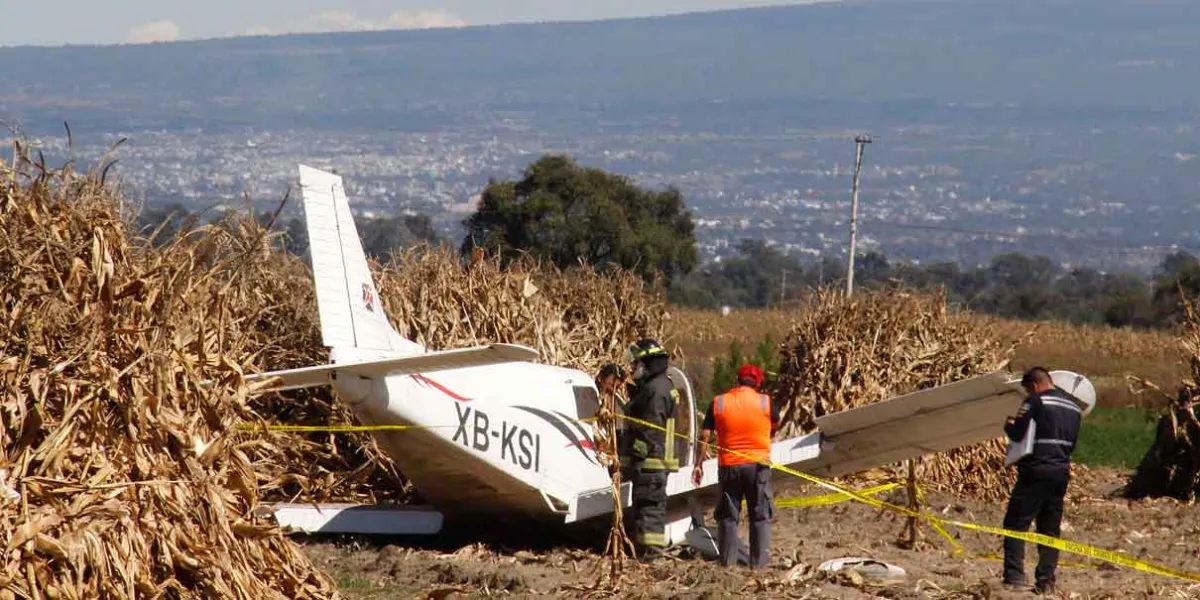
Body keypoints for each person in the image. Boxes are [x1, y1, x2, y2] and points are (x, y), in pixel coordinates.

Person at [1001, 366, 1083, 593]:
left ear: (1034, 386)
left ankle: (1014, 578)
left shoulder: (1035, 401)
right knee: (1049, 529)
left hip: (1036, 470)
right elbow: (1072, 445)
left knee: (1015, 524)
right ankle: (1046, 581)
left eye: (1029, 390)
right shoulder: (1074, 408)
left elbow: (1018, 433)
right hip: (1060, 472)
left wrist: (1009, 426)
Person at [692, 364, 780, 568]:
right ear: (758, 383)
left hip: (729, 466)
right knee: (760, 515)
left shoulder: (719, 402)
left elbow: (705, 435)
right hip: (758, 467)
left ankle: (728, 564)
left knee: (728, 517)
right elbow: (773, 428)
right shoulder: (766, 402)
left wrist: (699, 465)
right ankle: (758, 566)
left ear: (737, 380)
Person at [619, 338, 680, 559]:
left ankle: (651, 558)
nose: (633, 369)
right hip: (654, 462)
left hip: (651, 462)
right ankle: (646, 555)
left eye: (636, 364)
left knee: (649, 510)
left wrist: (631, 454)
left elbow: (650, 429)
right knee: (646, 509)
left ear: (647, 364)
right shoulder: (661, 385)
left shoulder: (656, 390)